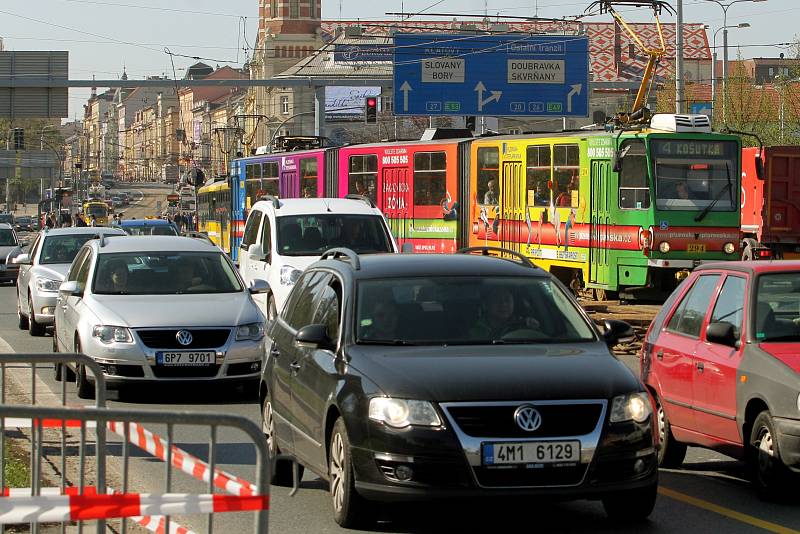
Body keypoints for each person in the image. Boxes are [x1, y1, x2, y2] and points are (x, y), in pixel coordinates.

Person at [470, 287, 540, 340]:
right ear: (485, 305)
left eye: (507, 299)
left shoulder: (523, 324)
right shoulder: (474, 329)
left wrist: (536, 328)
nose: (503, 304)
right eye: (497, 300)